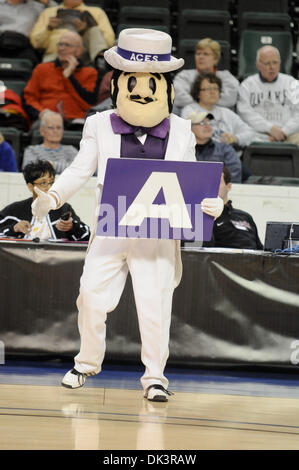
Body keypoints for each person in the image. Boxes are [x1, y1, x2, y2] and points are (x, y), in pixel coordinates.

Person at [31, 28, 223, 402]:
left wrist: (209, 204)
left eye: (151, 82)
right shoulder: (99, 124)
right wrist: (52, 197)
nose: (141, 90)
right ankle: (86, 363)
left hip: (158, 229)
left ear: (164, 86)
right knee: (89, 295)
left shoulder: (182, 130)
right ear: (118, 83)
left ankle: (155, 377)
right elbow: (79, 170)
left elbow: (191, 180)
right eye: (132, 81)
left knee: (155, 305)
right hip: (112, 224)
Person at [22, 30, 100, 126]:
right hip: (47, 118)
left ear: (78, 51)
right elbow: (29, 98)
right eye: (60, 44)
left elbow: (88, 104)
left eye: (67, 45)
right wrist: (42, 113)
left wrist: (69, 77)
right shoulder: (42, 69)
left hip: (77, 121)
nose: (62, 48)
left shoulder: (90, 73)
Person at [0, 160, 90, 241]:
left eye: (52, 182)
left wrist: (72, 227)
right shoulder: (15, 210)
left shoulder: (64, 208)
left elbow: (87, 236)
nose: (50, 187)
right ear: (30, 186)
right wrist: (13, 229)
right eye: (43, 183)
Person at [237, 45, 299, 145]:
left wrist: (284, 132)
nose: (272, 67)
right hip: (257, 134)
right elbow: (245, 114)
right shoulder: (247, 85)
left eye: (275, 62)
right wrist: (270, 129)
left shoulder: (291, 83)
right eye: (267, 63)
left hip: (289, 134)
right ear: (258, 65)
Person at [30, 0, 115, 66]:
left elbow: (109, 41)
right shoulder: (48, 12)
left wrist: (85, 30)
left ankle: (99, 62)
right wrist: (49, 28)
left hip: (85, 57)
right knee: (45, 68)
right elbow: (36, 43)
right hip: (55, 54)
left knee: (94, 30)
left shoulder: (97, 12)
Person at [181, 73, 255, 148]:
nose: (212, 92)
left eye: (216, 89)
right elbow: (185, 136)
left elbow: (250, 133)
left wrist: (234, 138)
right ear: (198, 93)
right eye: (208, 89)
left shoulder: (226, 112)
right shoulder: (189, 110)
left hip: (226, 155)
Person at [173, 37, 239, 115]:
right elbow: (179, 99)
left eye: (206, 54)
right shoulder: (183, 76)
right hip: (189, 117)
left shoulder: (227, 77)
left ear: (216, 59)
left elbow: (229, 100)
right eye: (198, 54)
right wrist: (209, 100)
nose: (200, 57)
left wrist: (200, 99)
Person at [205, 166, 263, 250]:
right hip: (221, 261)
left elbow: (260, 249)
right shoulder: (205, 217)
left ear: (229, 186)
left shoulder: (245, 216)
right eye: (209, 183)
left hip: (253, 260)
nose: (212, 186)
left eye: (217, 182)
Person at [189, 111, 242, 183]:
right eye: (202, 123)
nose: (208, 126)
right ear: (190, 127)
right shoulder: (184, 150)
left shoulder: (224, 149)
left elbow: (234, 174)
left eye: (209, 123)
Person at [0, 0, 57, 66]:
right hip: (1, 41)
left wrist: (47, 2)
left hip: (25, 46)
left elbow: (58, 12)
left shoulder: (37, 6)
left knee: (31, 63)